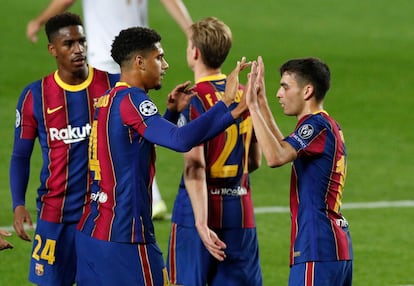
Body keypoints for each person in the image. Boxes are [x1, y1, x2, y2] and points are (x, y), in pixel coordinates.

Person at [75, 26, 250, 286]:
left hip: (91, 233)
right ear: (139, 62)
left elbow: (132, 145)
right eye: (159, 57)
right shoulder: (134, 101)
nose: (166, 65)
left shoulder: (107, 99)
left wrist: (168, 114)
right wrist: (224, 105)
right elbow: (181, 140)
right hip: (126, 236)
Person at [26, 0, 194, 219]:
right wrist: (191, 30)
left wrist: (39, 21)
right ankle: (150, 197)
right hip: (138, 59)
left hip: (105, 60)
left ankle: (102, 196)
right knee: (136, 127)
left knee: (99, 131)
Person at [166, 17, 263, 286]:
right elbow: (254, 160)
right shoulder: (244, 95)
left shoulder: (192, 98)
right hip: (240, 210)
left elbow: (194, 166)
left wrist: (200, 222)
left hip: (196, 212)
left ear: (194, 52)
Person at [245, 57, 353, 286]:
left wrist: (252, 106)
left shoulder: (315, 125)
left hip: (317, 246)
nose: (279, 94)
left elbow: (275, 157)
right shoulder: (326, 124)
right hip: (334, 247)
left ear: (307, 91)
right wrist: (262, 101)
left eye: (285, 87)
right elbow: (283, 146)